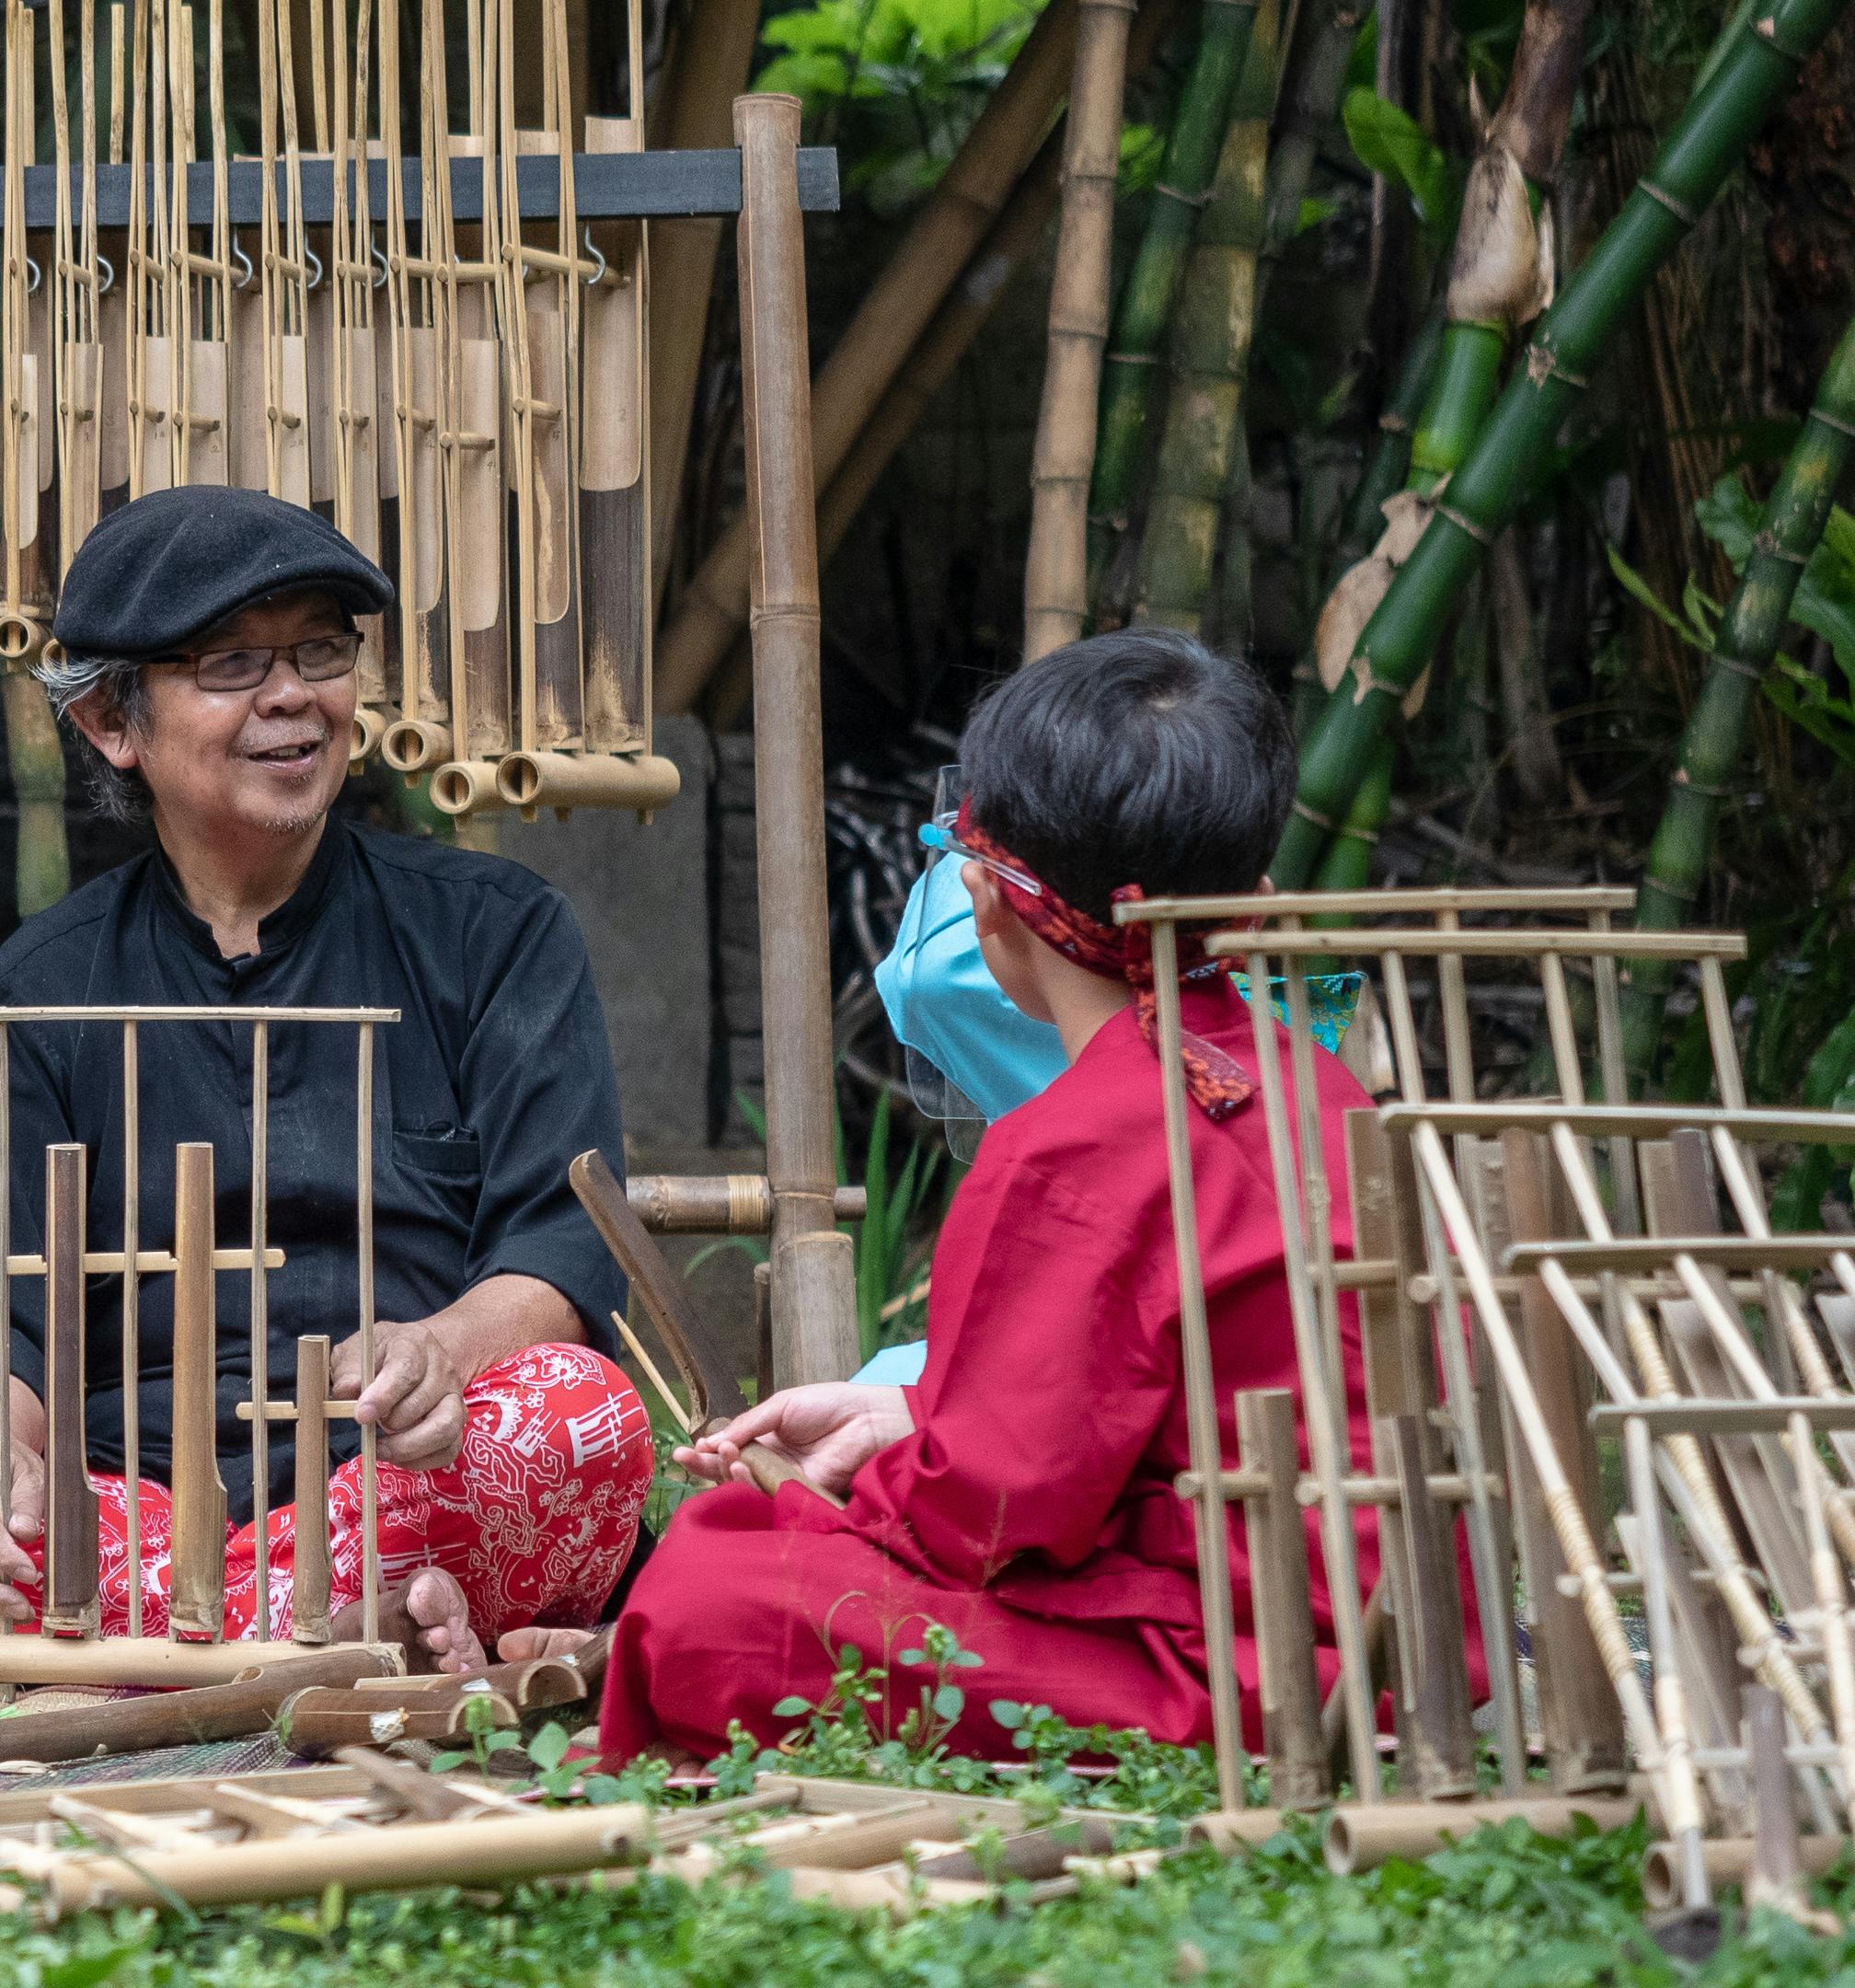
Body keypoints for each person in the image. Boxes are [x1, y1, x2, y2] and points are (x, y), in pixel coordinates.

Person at [0, 487, 651, 1659]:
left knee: (577, 1416)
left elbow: (560, 1251)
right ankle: (324, 1636)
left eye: (320, 651)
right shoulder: (38, 989)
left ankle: (137, 1653)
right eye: (233, 663)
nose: (292, 696)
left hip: (402, 1488)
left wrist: (445, 1349)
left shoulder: (495, 932)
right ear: (116, 719)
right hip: (127, 1513)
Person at [593, 628, 1408, 1760]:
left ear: (985, 898)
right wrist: (910, 1416)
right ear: (1252, 902)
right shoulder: (1313, 1080)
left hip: (1243, 1662)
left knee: (713, 1586)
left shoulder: (1070, 1147)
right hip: (1384, 1632)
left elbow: (995, 1519)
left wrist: (862, 1490)